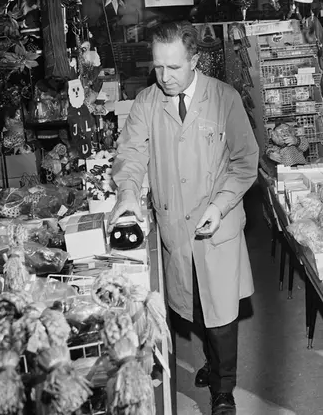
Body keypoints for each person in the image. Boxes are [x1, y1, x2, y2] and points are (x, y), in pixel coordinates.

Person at [110, 21, 258, 415]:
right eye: (158, 67)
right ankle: (211, 361)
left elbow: (246, 161)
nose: (165, 77)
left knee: (221, 311)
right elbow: (130, 155)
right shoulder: (147, 102)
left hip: (217, 223)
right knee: (193, 303)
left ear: (195, 60)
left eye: (174, 67)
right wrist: (128, 193)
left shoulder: (224, 98)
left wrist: (220, 204)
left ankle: (224, 390)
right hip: (176, 225)